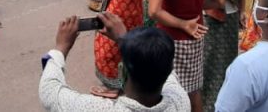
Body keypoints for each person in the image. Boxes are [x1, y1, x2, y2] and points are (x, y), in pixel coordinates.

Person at [39, 14, 191, 111]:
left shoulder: (97, 108)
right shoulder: (180, 100)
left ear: (122, 72)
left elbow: (50, 91)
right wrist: (124, 40)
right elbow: (163, 65)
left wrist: (61, 48)